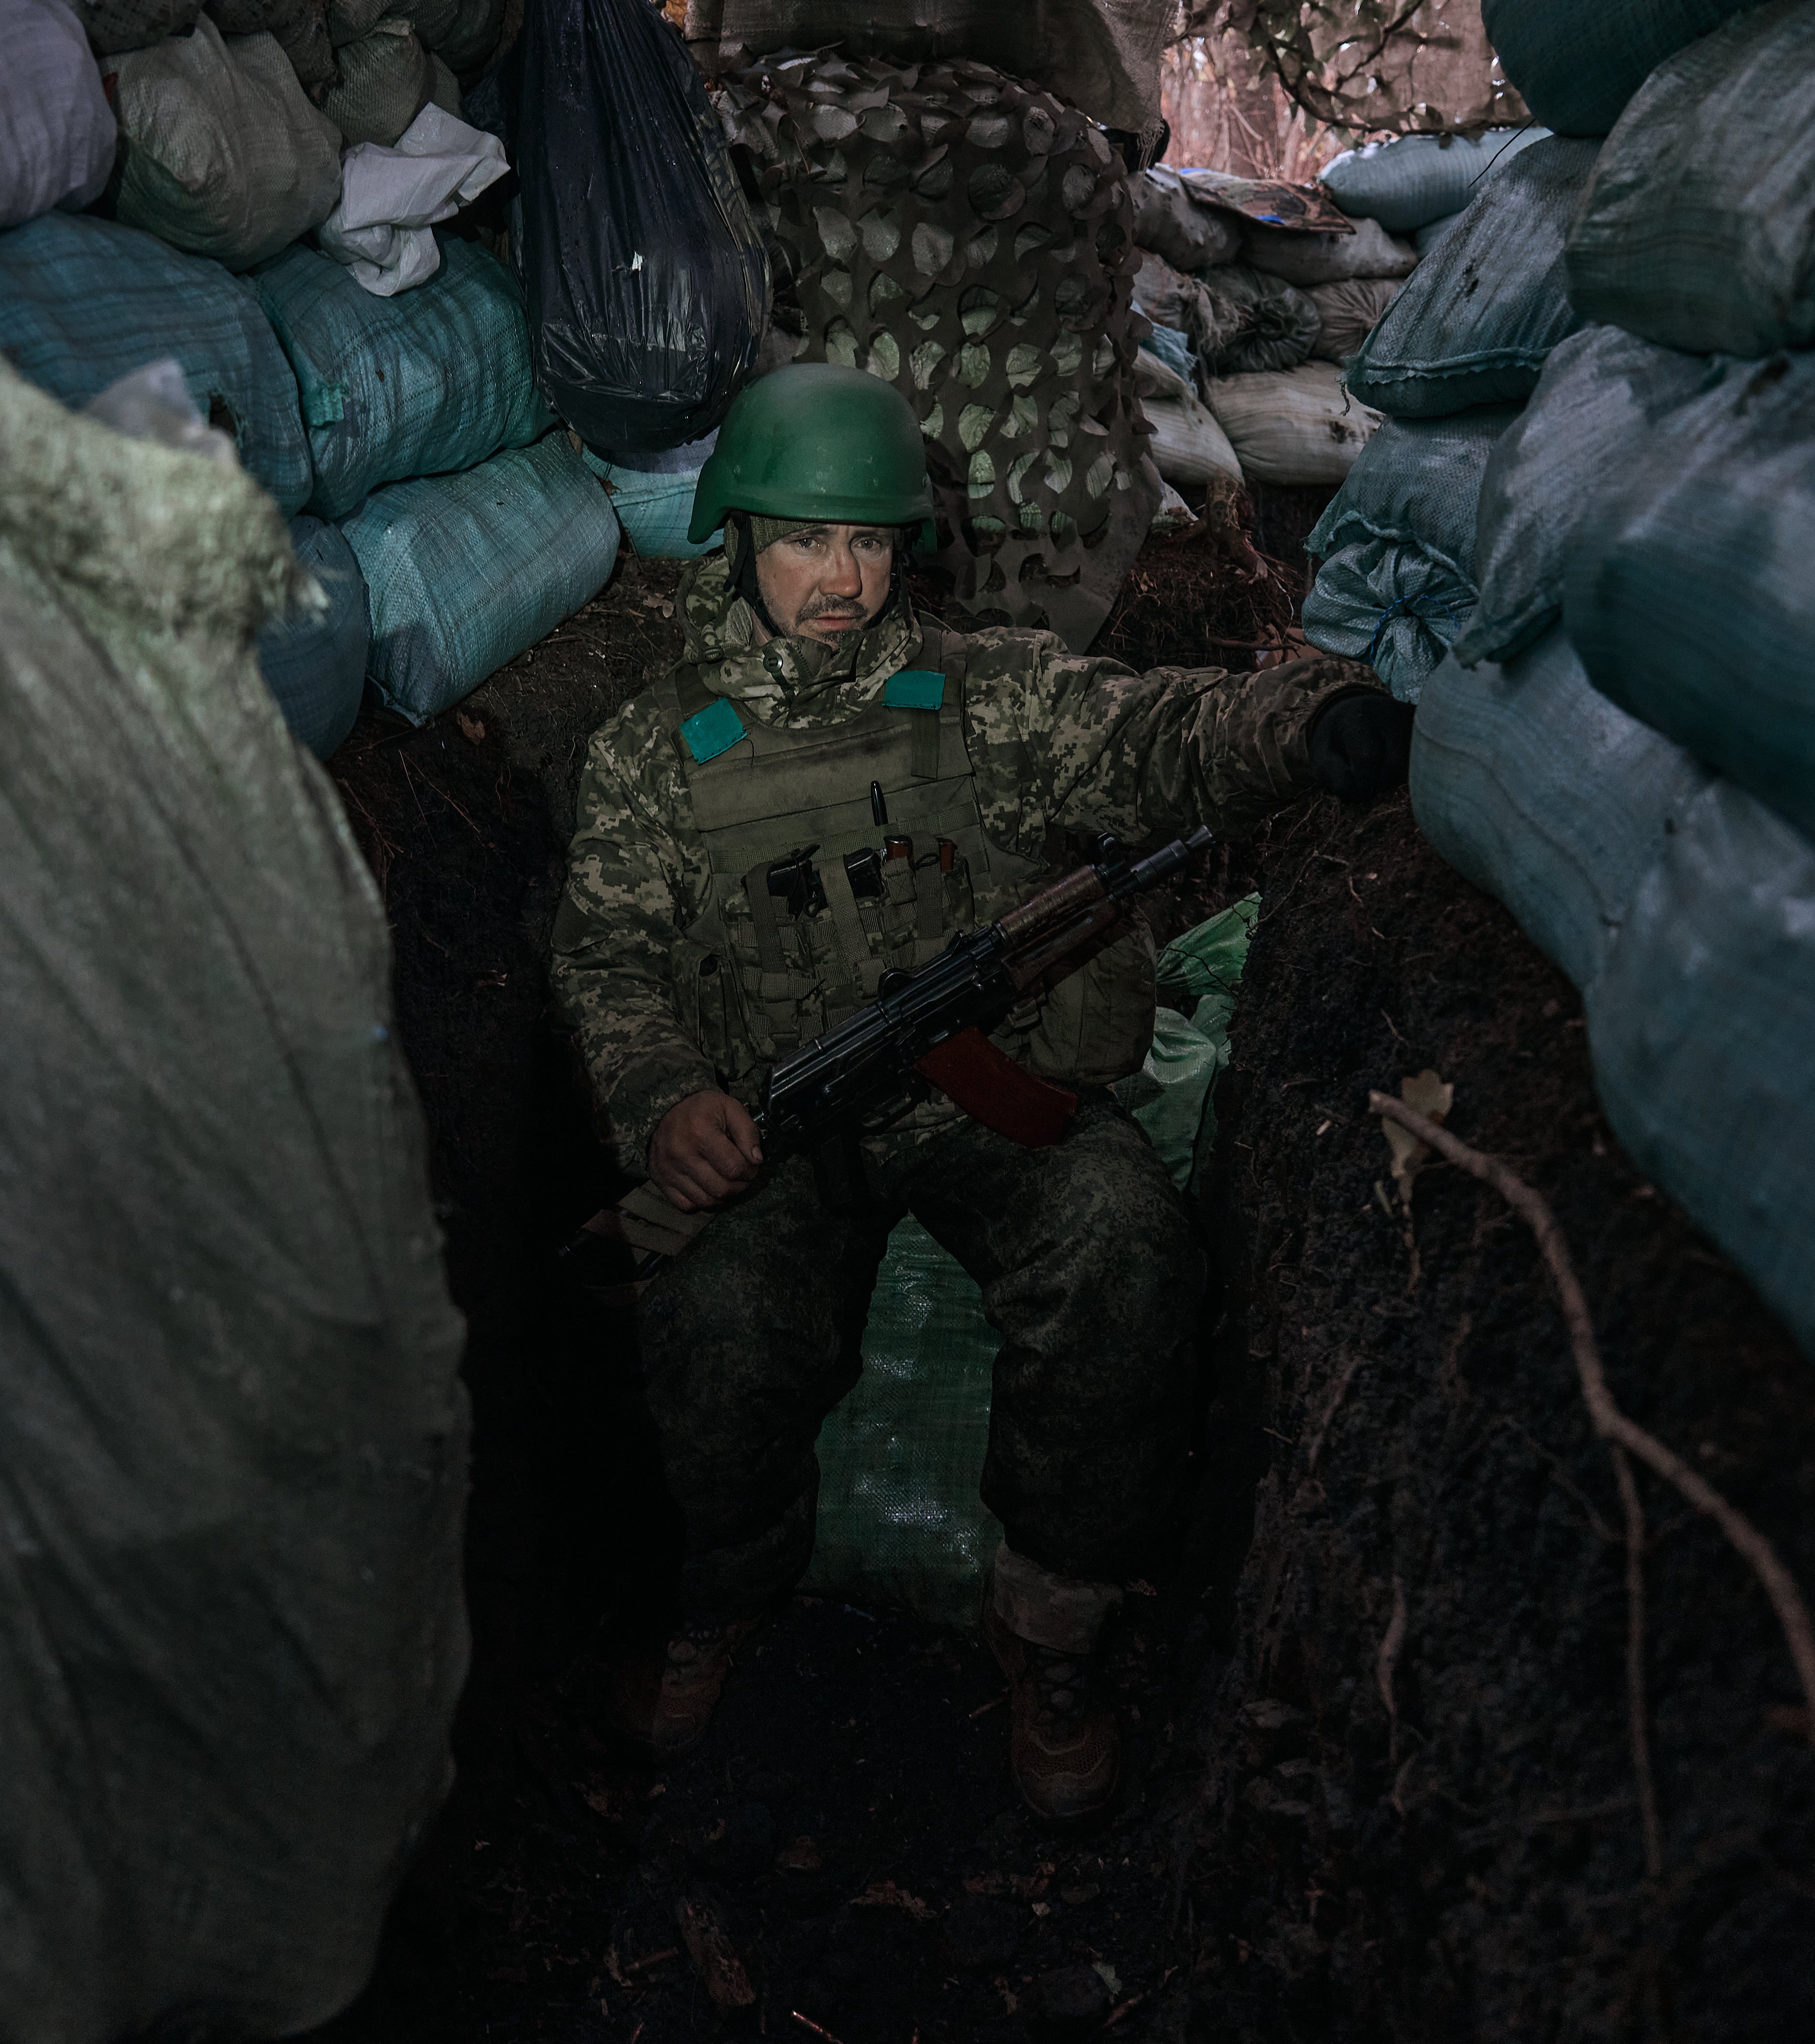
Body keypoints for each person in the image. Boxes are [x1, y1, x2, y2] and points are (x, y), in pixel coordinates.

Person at [550, 363, 1410, 1822]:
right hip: (779, 1120)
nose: (843, 576)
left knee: (1124, 1243)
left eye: (872, 541)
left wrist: (1302, 722)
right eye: (807, 541)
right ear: (736, 534)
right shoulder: (653, 752)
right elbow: (609, 959)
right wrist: (664, 1105)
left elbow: (1156, 736)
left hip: (981, 1103)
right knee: (712, 1313)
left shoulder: (985, 695)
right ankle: (722, 1596)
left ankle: (1050, 1629)